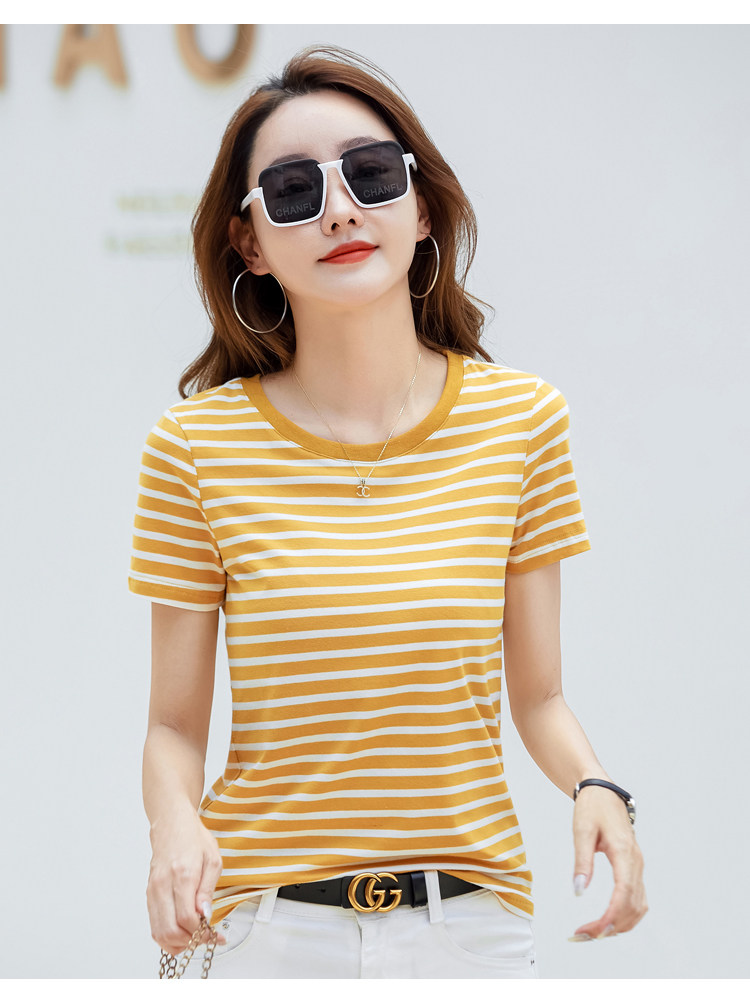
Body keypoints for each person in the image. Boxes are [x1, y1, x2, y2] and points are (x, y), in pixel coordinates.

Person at [128, 43, 647, 980]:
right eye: (293, 191)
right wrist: (174, 826)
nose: (339, 211)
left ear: (421, 206)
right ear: (250, 243)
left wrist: (597, 787)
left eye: (369, 175)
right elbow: (172, 728)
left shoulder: (522, 422)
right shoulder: (195, 446)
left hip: (470, 930)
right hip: (265, 931)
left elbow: (538, 696)